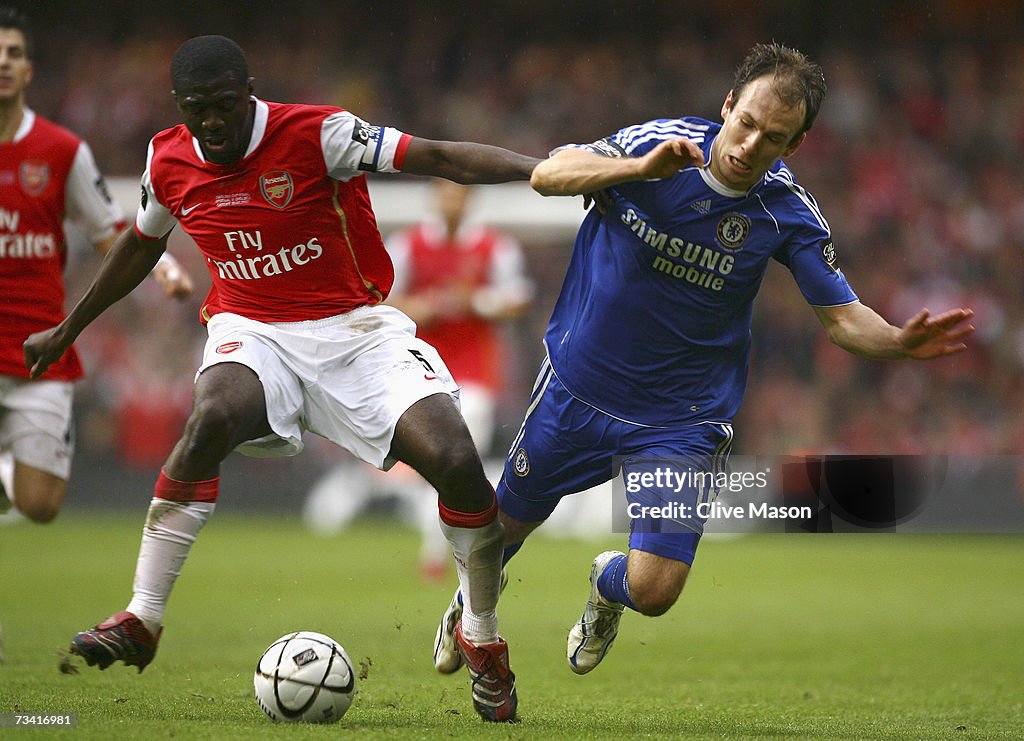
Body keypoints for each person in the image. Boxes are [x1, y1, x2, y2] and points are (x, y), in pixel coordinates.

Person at [23, 35, 537, 723]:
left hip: (356, 331)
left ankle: (481, 636)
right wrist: (67, 327)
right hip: (254, 331)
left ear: (250, 92)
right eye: (198, 108)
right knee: (209, 416)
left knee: (455, 460)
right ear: (180, 106)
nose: (212, 121)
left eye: (225, 106)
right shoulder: (165, 157)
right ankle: (142, 618)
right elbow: (141, 247)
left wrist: (551, 168)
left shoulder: (318, 133)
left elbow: (438, 156)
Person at [431, 42, 974, 679]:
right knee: (499, 535)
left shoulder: (785, 211)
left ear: (794, 146)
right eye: (745, 124)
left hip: (680, 419)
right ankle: (469, 604)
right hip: (578, 388)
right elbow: (549, 176)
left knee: (656, 591)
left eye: (774, 139)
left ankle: (607, 587)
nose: (750, 146)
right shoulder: (656, 144)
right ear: (727, 106)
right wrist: (635, 173)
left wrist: (897, 342)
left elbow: (843, 319)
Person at [0, 7, 192, 524]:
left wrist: (164, 267)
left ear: (29, 70)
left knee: (39, 506)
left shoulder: (61, 151)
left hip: (37, 347)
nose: (3, 62)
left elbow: (111, 229)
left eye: (13, 53)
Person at [302, 178, 532, 581]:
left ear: (469, 199)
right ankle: (444, 546)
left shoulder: (494, 246)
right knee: (436, 462)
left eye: (459, 194)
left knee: (460, 454)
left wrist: (475, 302)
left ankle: (436, 556)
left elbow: (517, 300)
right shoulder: (409, 244)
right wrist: (422, 306)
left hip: (475, 369)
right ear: (434, 197)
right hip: (419, 366)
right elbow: (378, 296)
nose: (452, 202)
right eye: (445, 193)